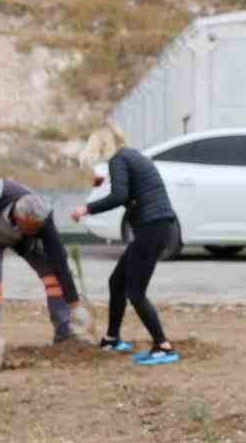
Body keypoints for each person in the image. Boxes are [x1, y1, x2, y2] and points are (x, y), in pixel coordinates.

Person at [71, 143, 180, 365]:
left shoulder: (118, 159)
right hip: (156, 227)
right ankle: (112, 338)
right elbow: (129, 194)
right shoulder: (132, 155)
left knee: (136, 292)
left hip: (153, 228)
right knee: (117, 282)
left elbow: (119, 196)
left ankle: (163, 346)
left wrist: (86, 208)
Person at [0, 174, 92, 343]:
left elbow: (59, 259)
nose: (39, 229)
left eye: (40, 225)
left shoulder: (42, 221)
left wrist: (75, 304)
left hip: (22, 241)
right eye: (34, 225)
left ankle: (64, 331)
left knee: (53, 276)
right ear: (21, 218)